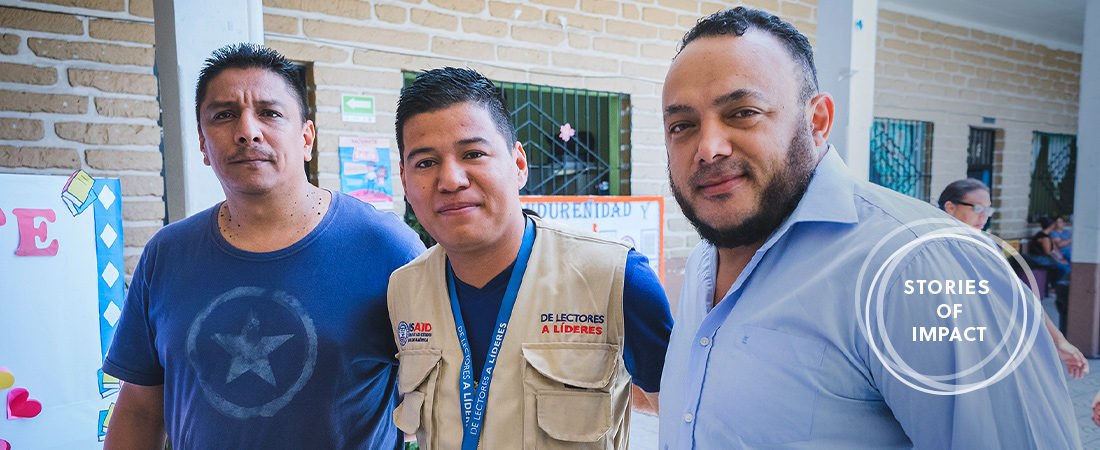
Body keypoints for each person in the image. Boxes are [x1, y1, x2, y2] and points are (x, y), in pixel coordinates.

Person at [658, 8, 1079, 448]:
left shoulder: (922, 267)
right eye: (682, 126)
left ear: (817, 121)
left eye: (742, 112)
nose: (708, 148)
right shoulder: (706, 262)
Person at [102, 44, 424, 449]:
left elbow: (438, 394)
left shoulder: (386, 247)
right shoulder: (167, 254)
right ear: (203, 144)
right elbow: (139, 408)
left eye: (270, 113)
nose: (247, 131)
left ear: (306, 138)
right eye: (224, 115)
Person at [388, 67, 673, 449]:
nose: (451, 179)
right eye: (425, 163)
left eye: (473, 153)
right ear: (405, 183)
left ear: (519, 164)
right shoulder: (404, 289)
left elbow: (680, 412)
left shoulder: (616, 278)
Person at [939, 180, 1088, 379]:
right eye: (978, 208)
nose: (984, 215)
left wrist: (1057, 340)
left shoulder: (983, 246)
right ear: (950, 207)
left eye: (988, 209)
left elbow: (1020, 295)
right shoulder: (930, 245)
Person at [1030, 215, 1072, 286]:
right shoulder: (1044, 237)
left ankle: (1053, 284)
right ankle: (1052, 285)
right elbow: (1048, 253)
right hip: (1041, 259)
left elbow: (1055, 249)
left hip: (1048, 258)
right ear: (1051, 226)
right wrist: (1059, 260)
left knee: (1067, 265)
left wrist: (1061, 258)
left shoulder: (1048, 236)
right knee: (1065, 268)